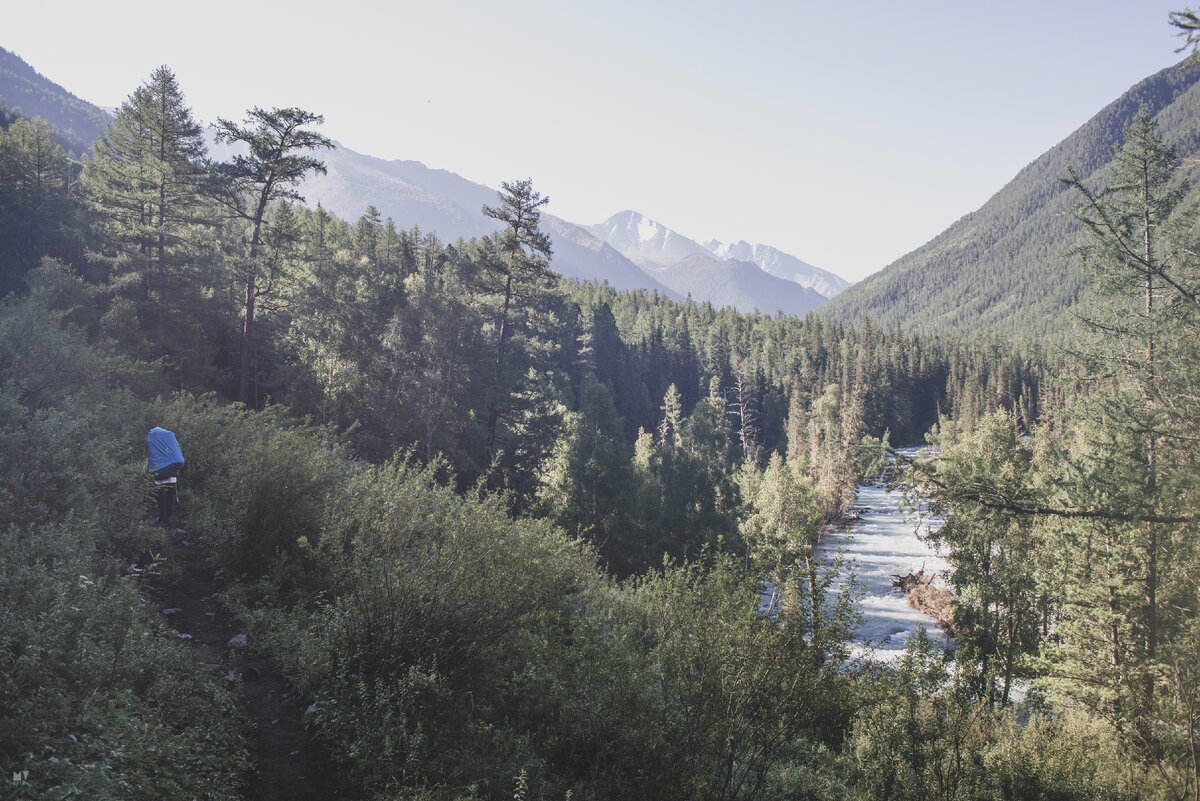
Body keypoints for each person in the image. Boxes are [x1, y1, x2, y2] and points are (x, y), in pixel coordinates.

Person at [147, 427, 185, 525]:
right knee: (169, 500)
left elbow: (149, 466)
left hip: (160, 479)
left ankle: (163, 521)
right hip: (172, 478)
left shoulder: (154, 451)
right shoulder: (170, 447)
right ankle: (170, 520)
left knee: (161, 501)